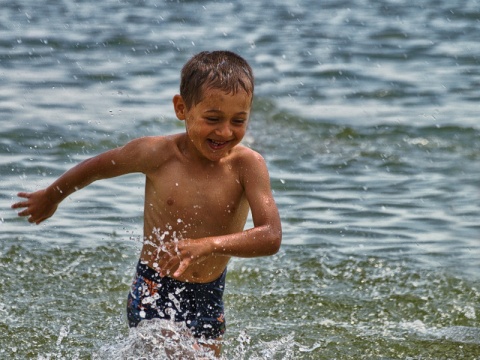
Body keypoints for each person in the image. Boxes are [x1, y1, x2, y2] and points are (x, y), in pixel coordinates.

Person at [11, 50, 282, 357]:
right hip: (154, 287)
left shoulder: (248, 165)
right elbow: (97, 167)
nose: (225, 131)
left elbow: (271, 236)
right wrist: (51, 196)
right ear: (182, 108)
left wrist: (206, 245)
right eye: (213, 119)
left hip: (209, 293)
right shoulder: (156, 154)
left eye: (238, 120)